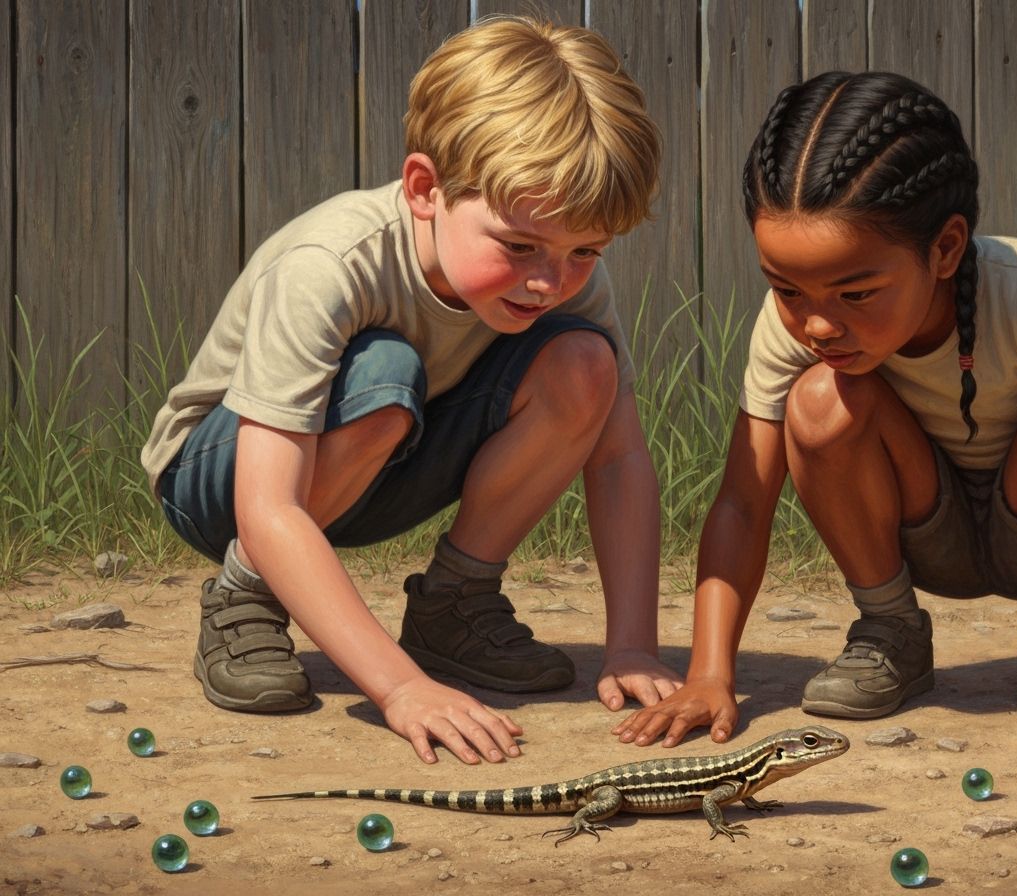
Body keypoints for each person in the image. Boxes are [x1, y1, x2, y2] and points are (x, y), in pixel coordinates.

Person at [613, 70, 1017, 758]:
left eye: (855, 293)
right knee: (819, 401)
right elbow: (743, 503)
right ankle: (890, 632)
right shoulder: (794, 326)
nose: (817, 324)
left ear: (945, 249)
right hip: (918, 532)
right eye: (787, 289)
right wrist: (708, 674)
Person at [141, 16, 680, 766]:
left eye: (585, 250)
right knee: (384, 375)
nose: (550, 280)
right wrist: (401, 689)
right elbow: (268, 508)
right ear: (426, 189)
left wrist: (632, 646)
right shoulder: (331, 263)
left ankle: (454, 606)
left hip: (384, 461)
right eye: (519, 245)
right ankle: (246, 597)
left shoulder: (561, 280)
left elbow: (618, 459)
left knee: (587, 364)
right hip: (226, 485)